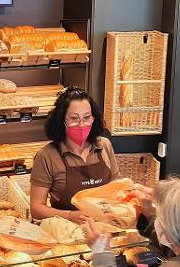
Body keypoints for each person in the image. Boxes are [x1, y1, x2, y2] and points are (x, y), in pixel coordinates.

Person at [29, 86, 118, 224]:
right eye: (74, 119)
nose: (82, 125)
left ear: (94, 119)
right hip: (67, 234)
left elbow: (116, 188)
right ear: (62, 120)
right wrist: (70, 216)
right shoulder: (47, 155)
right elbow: (36, 208)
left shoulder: (104, 146)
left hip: (105, 229)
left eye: (87, 118)